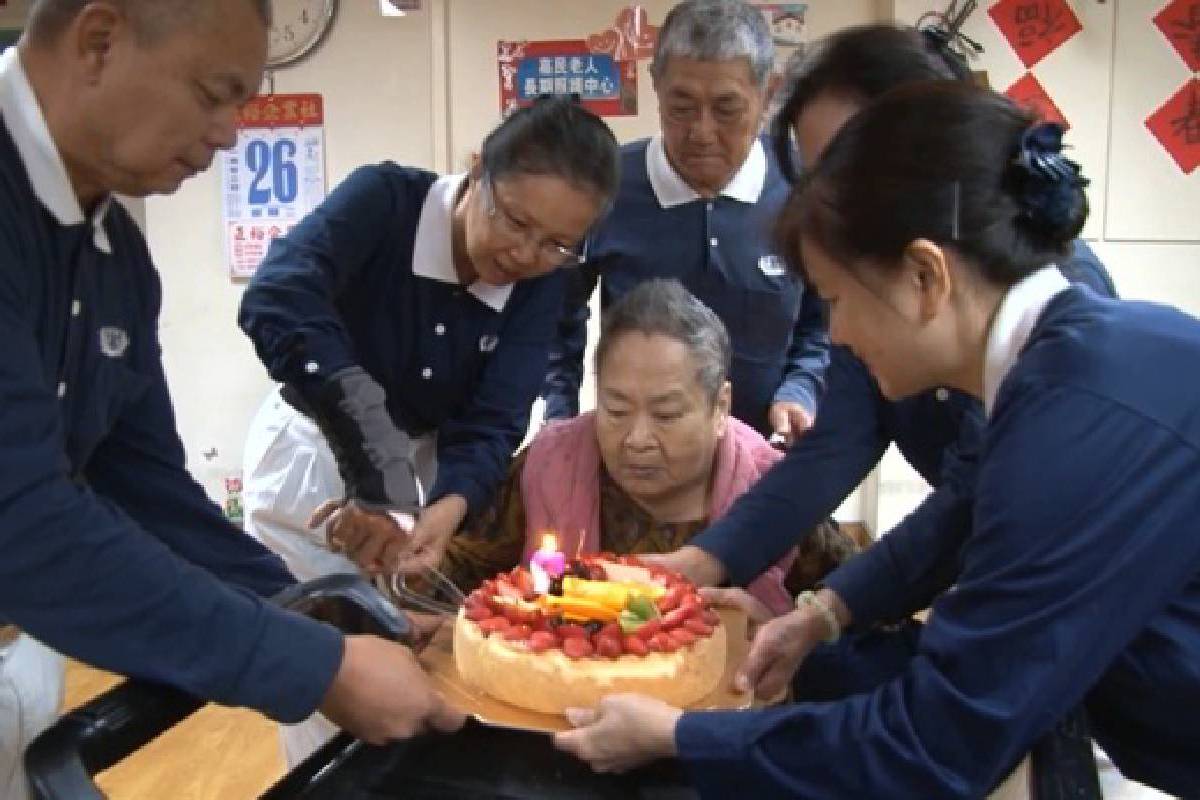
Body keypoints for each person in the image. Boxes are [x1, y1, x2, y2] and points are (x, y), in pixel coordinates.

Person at [554, 82, 1200, 798]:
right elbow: (956, 515)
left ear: (925, 276)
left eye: (835, 302)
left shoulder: (1074, 420)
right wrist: (818, 616)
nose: (839, 337)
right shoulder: (1071, 367)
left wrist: (677, 735)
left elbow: (935, 742)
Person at [0, 2, 463, 798]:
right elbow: (18, 518)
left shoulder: (118, 257)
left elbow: (142, 489)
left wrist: (320, 615)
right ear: (100, 40)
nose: (227, 134)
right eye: (213, 94)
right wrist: (311, 666)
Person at [653, 23, 1116, 596]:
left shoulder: (1051, 310)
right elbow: (836, 444)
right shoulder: (873, 290)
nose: (833, 204)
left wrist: (832, 614)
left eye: (854, 165)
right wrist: (711, 560)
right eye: (818, 175)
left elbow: (971, 509)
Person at [238, 94, 620, 763]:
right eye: (515, 220)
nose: (526, 253)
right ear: (478, 169)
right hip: (313, 460)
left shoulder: (539, 281)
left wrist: (446, 508)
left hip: (417, 481)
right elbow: (278, 295)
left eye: (556, 244)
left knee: (414, 673)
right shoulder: (386, 202)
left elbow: (496, 418)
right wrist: (376, 466)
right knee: (330, 681)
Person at [441, 279, 857, 612]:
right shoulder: (552, 464)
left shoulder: (776, 490)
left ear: (720, 406)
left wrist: (781, 627)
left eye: (666, 415)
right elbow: (461, 571)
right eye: (616, 410)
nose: (636, 440)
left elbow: (850, 608)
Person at [541, 0, 829, 442]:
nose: (702, 131)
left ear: (768, 93)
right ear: (656, 85)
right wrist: (559, 417)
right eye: (682, 106)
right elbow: (557, 319)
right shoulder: (607, 186)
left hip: (769, 454)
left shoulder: (802, 184)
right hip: (638, 455)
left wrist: (800, 390)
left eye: (726, 108)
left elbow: (823, 320)